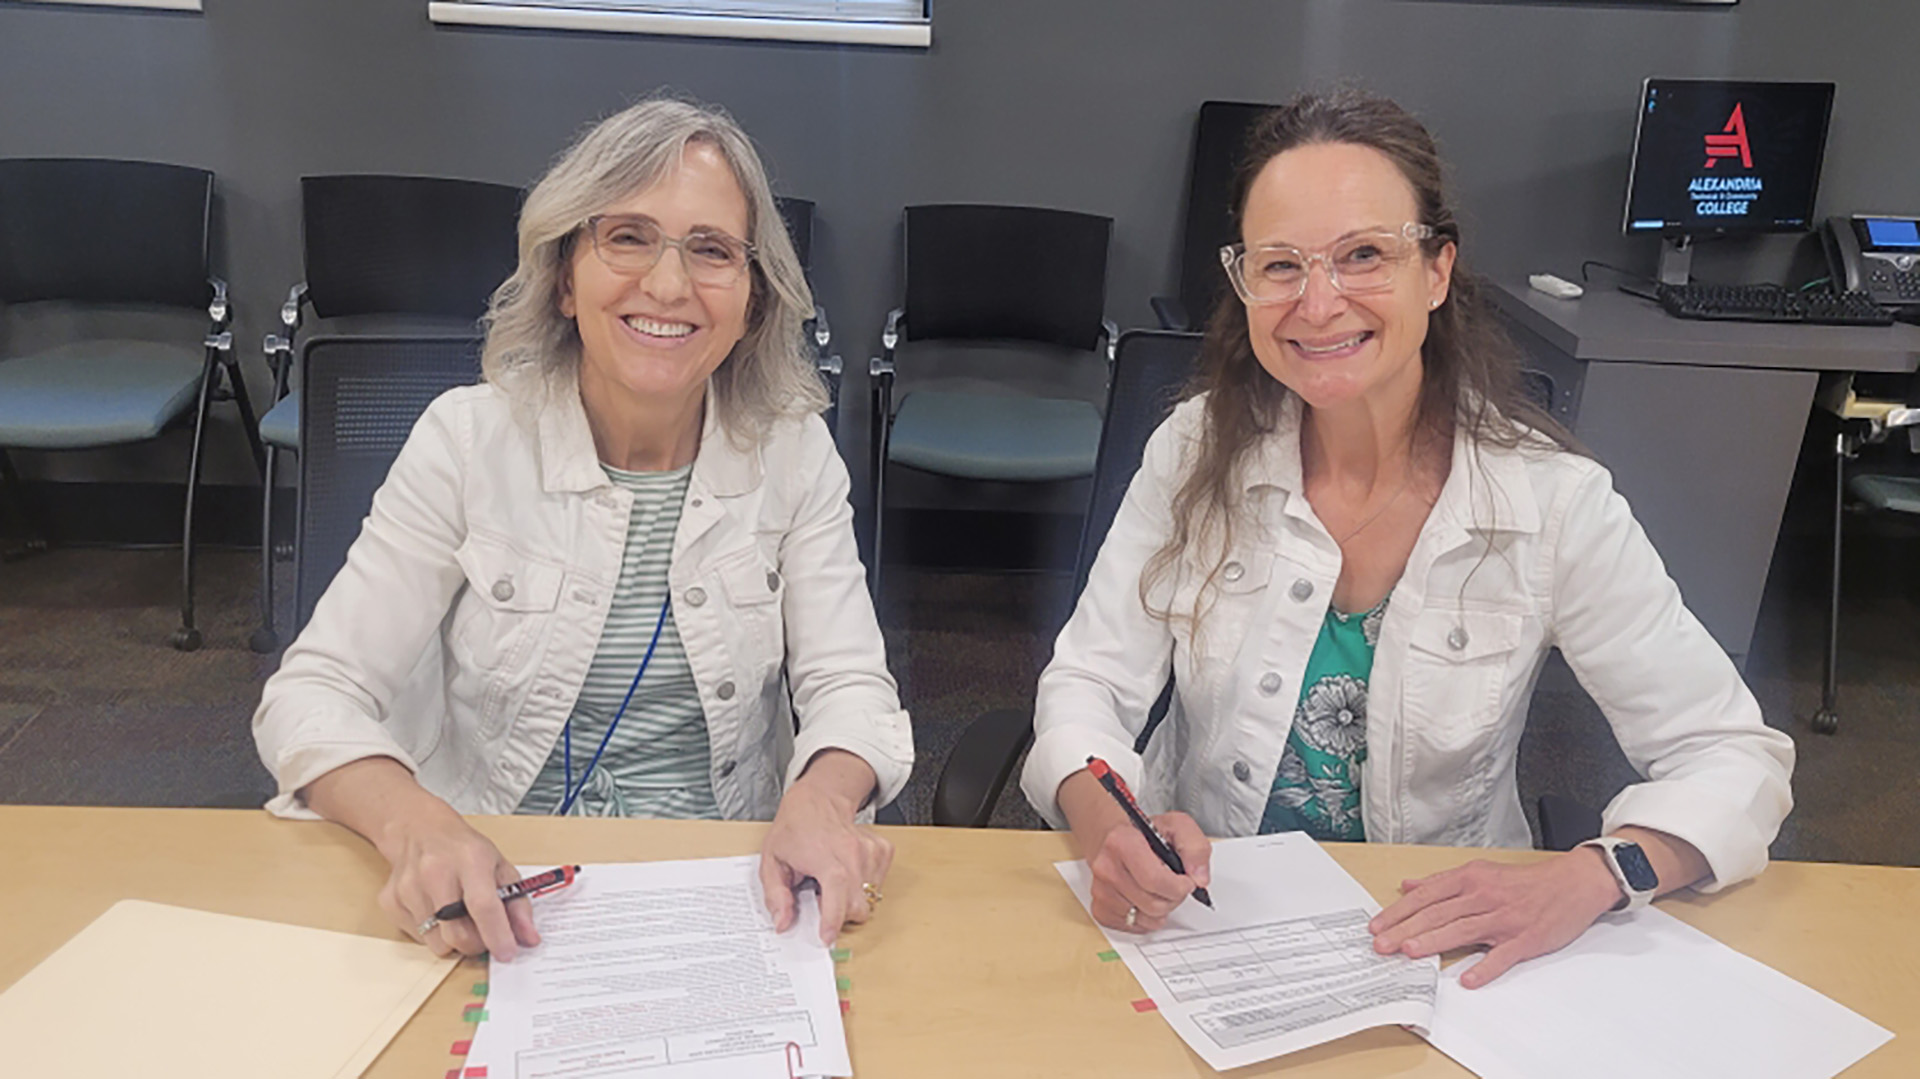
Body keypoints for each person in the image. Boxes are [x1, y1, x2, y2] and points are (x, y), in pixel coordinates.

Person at [1020, 90, 1794, 988]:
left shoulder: (1549, 499)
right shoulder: (1194, 451)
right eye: (1280, 265)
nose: (1317, 303)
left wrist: (1596, 872)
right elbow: (1089, 683)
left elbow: (1732, 752)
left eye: (1363, 255)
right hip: (1201, 927)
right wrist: (1113, 826)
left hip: (1441, 949)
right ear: (1243, 282)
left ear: (1436, 269)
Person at [253, 97, 911, 959]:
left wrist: (821, 802)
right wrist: (419, 828)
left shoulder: (794, 454)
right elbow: (312, 695)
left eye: (712, 250)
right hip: (499, 885)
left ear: (752, 298)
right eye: (628, 237)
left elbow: (853, 689)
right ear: (565, 277)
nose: (669, 285)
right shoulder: (467, 440)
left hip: (730, 885)